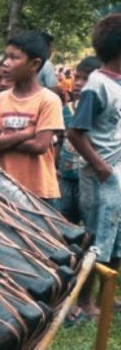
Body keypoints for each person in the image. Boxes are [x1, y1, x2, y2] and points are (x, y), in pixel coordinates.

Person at [69, 15, 121, 319]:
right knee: (96, 239)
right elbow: (76, 132)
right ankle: (85, 301)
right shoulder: (96, 86)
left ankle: (107, 296)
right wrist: (100, 166)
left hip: (117, 174)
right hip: (101, 175)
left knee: (114, 238)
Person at [0, 31, 64, 207]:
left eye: (14, 58)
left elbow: (40, 146)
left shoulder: (48, 100)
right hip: (3, 189)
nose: (6, 63)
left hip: (40, 191)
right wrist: (26, 134)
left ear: (34, 64)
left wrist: (2, 137)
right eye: (6, 57)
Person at [60, 56, 102, 228]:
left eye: (86, 79)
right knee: (66, 216)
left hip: (93, 175)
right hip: (67, 175)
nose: (78, 83)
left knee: (91, 217)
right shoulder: (67, 109)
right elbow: (60, 138)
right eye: (77, 77)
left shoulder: (103, 111)